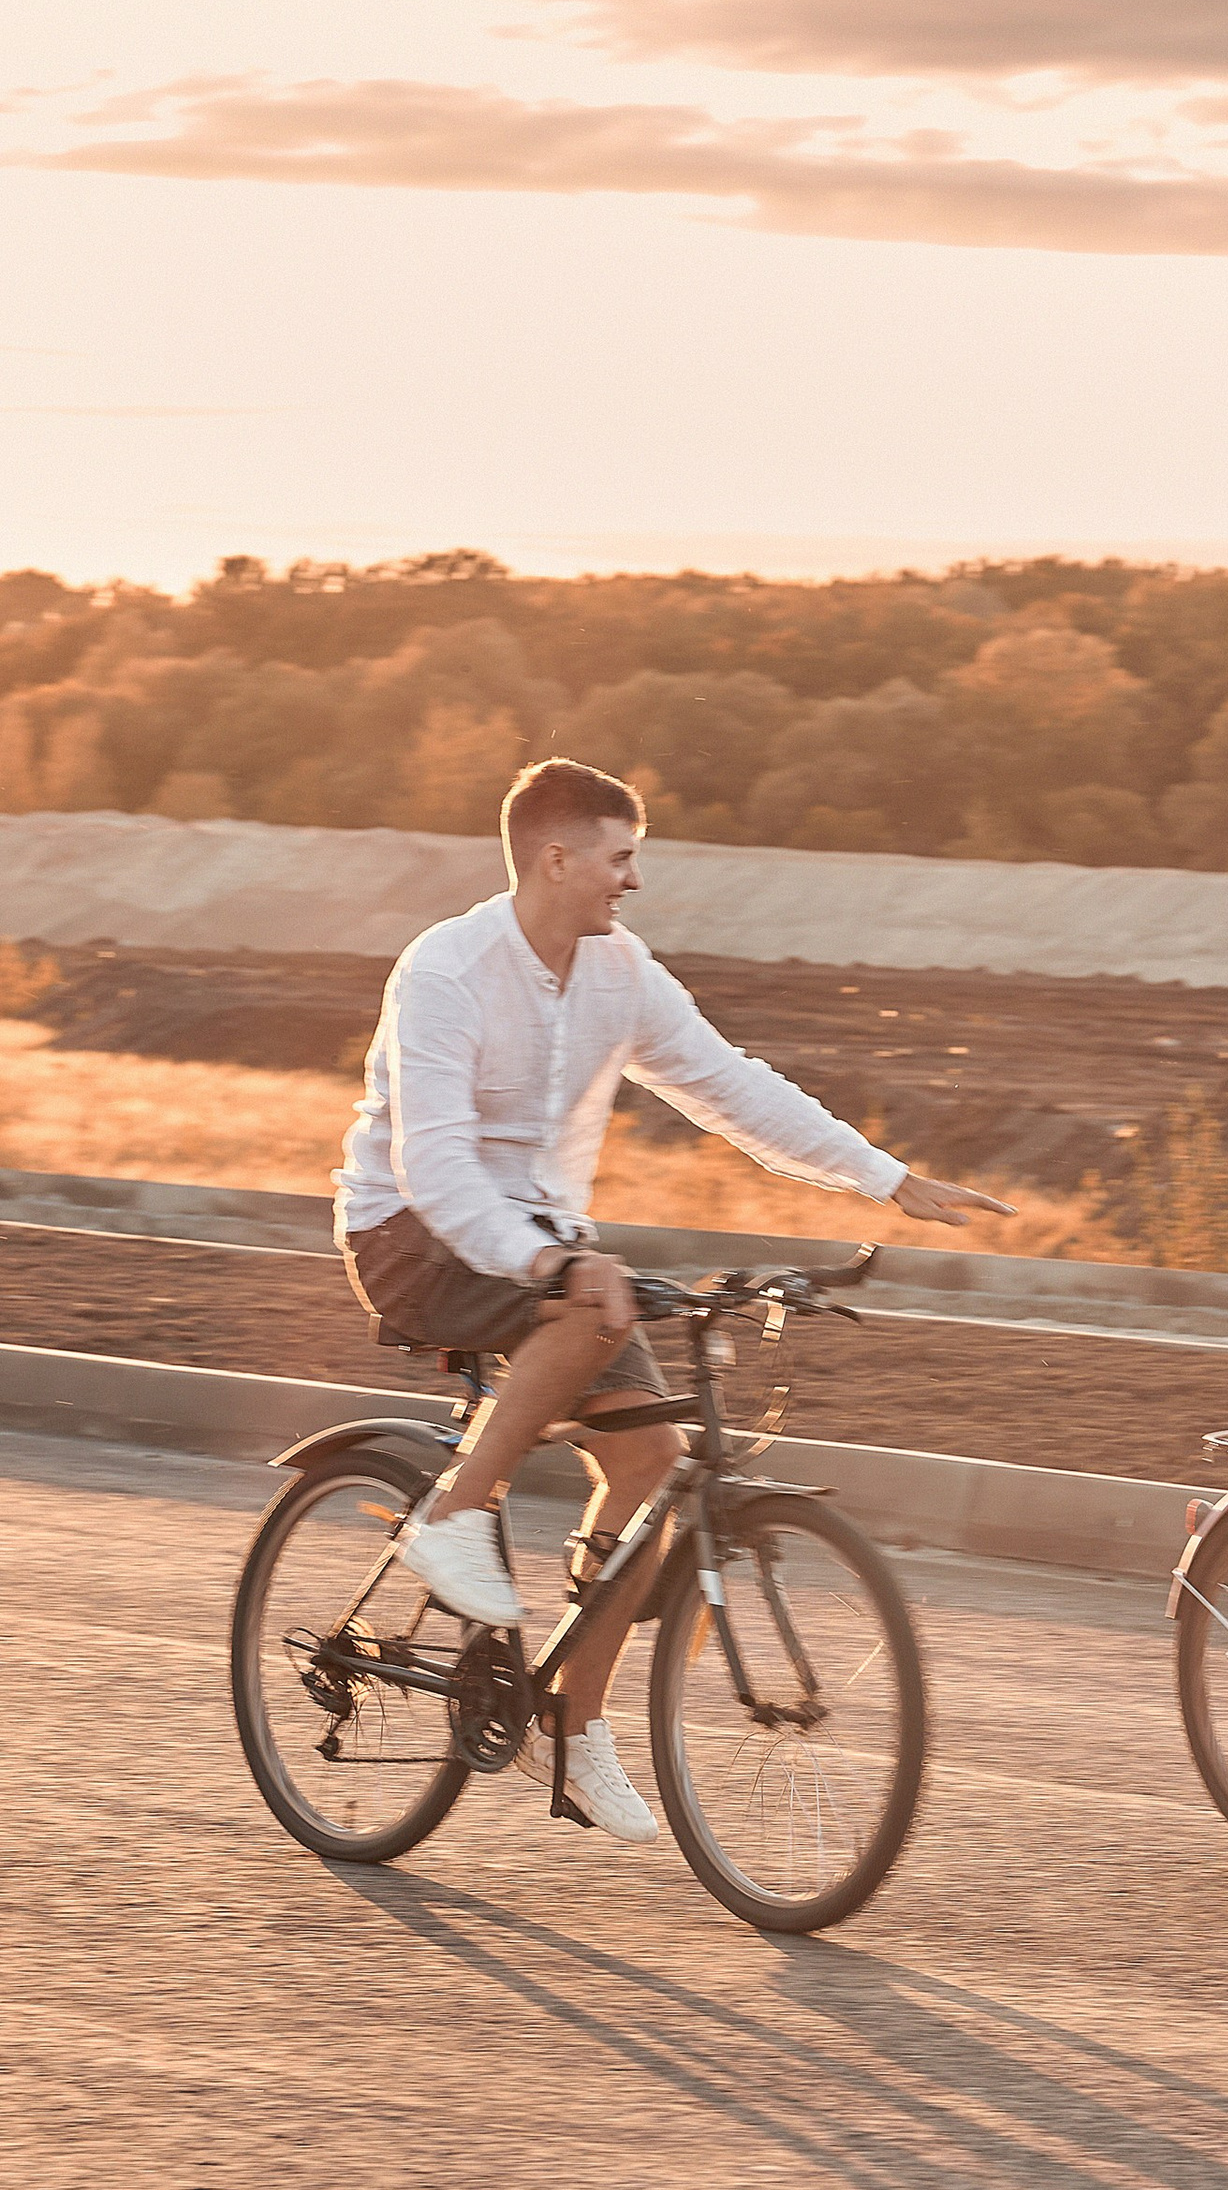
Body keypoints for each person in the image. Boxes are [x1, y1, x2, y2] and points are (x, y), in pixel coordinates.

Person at [336, 757, 1007, 1842]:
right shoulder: (448, 969)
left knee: (655, 1469)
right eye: (620, 857)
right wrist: (551, 1265)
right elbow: (437, 1167)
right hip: (411, 1230)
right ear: (556, 857)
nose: (631, 881)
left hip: (544, 1238)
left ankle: (574, 1720)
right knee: (589, 1304)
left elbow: (730, 1085)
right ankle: (451, 1515)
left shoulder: (620, 973)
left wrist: (884, 1179)